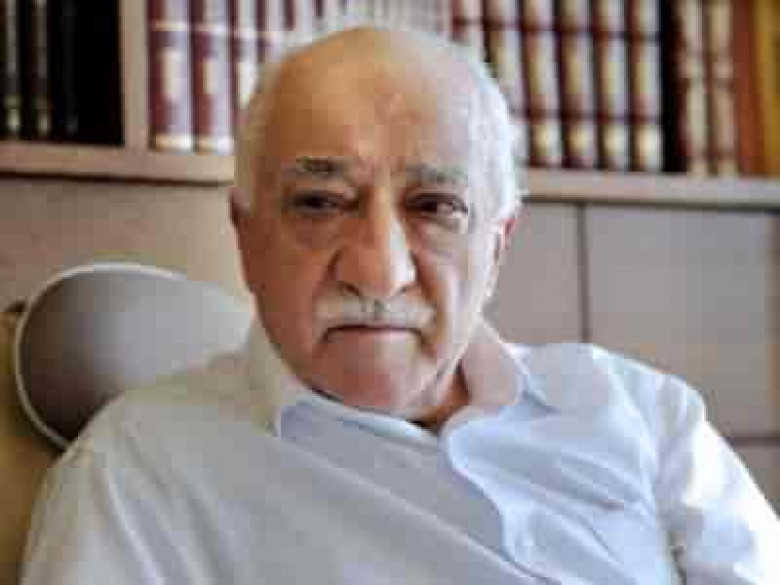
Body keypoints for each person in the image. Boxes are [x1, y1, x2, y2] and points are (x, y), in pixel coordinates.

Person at [21, 27, 779, 585]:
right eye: (320, 202)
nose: (379, 273)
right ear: (246, 235)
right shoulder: (138, 475)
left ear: (497, 246)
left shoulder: (642, 416)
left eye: (434, 206)